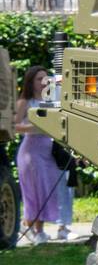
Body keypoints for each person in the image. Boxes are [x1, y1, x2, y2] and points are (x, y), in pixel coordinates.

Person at [13, 65, 61, 245]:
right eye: (39, 79)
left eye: (46, 78)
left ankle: (31, 227)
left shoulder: (51, 101)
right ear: (30, 82)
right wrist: (36, 128)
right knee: (35, 191)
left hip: (48, 152)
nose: (43, 82)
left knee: (48, 189)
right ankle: (36, 230)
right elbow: (14, 126)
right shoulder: (25, 102)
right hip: (30, 153)